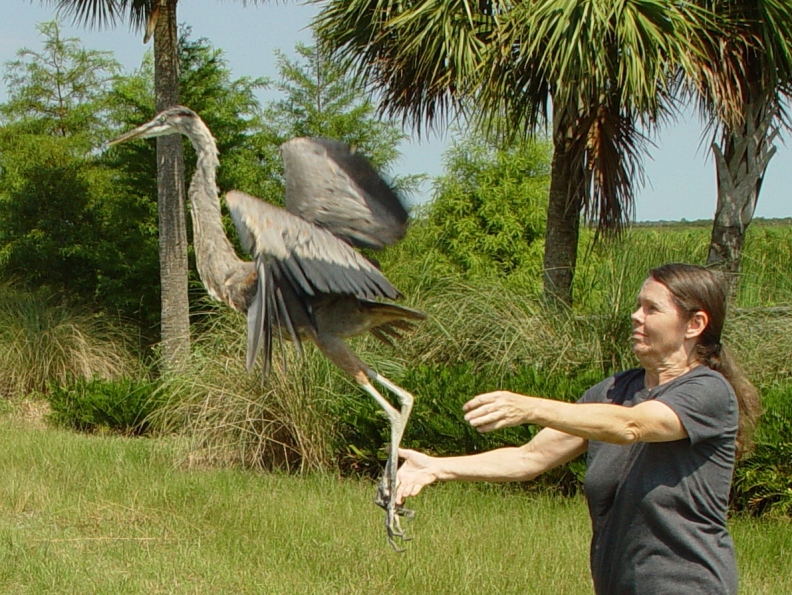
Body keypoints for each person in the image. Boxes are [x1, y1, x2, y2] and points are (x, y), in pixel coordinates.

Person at [396, 263, 762, 595]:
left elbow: (632, 425)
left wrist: (531, 407)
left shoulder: (709, 392)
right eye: (638, 305)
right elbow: (530, 458)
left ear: (695, 325)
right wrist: (436, 467)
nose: (636, 316)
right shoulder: (612, 391)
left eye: (652, 309)